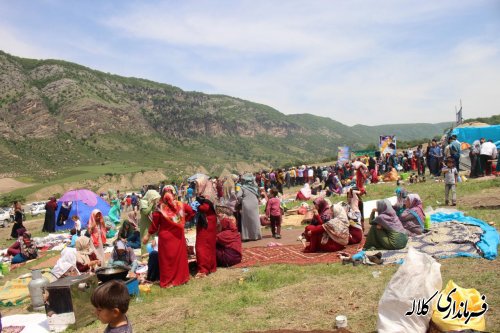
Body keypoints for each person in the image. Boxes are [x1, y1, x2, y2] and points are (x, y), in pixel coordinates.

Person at [142, 191, 195, 288]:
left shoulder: (160, 209)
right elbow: (191, 212)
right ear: (173, 195)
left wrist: (147, 236)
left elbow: (154, 225)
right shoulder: (180, 205)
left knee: (167, 260)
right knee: (179, 258)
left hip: (166, 238)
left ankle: (168, 281)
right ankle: (181, 278)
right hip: (178, 236)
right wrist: (182, 221)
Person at [194, 176, 218, 278]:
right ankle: (211, 266)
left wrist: (196, 206)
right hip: (209, 221)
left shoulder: (207, 194)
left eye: (197, 185)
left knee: (201, 245)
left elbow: (205, 207)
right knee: (209, 244)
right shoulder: (205, 193)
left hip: (206, 222)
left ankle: (204, 269)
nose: (196, 187)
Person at [237, 174, 262, 241]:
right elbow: (258, 195)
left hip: (246, 204)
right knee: (255, 219)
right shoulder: (255, 187)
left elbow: (238, 196)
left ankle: (247, 236)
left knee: (246, 220)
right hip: (255, 203)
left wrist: (241, 200)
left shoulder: (243, 187)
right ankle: (256, 236)